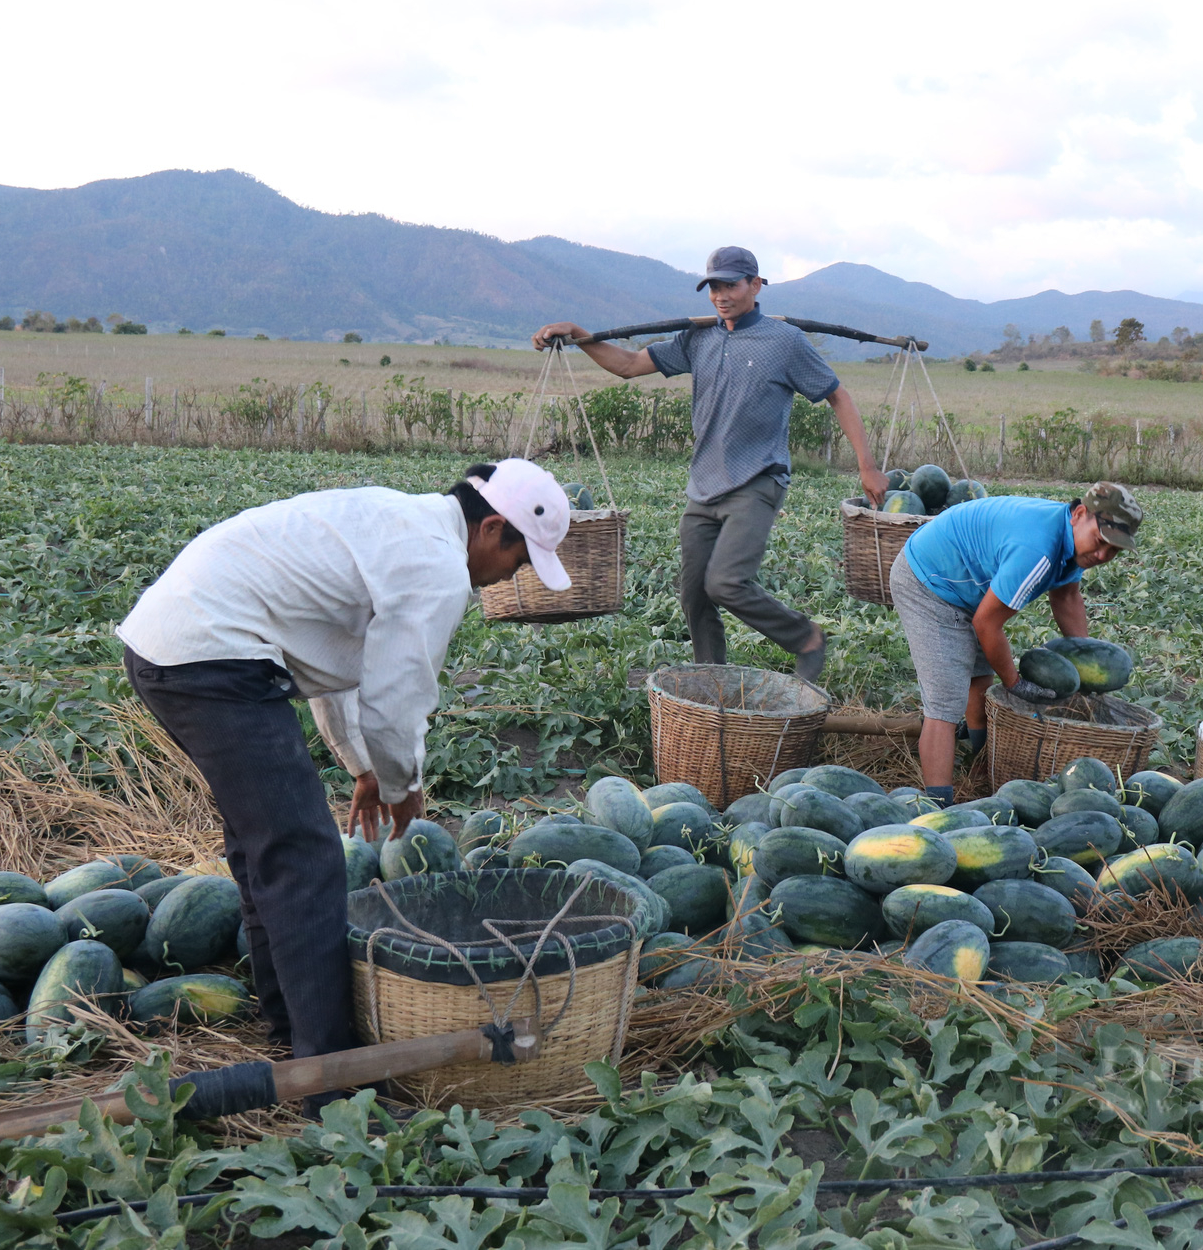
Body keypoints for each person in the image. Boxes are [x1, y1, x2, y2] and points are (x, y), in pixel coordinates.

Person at [115, 460, 574, 1109]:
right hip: (210, 651)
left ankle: (292, 1027)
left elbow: (335, 666)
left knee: (268, 843)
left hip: (179, 642)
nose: (509, 578)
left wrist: (362, 766)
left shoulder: (402, 525)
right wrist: (401, 782)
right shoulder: (438, 567)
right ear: (493, 527)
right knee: (304, 855)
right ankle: (330, 1083)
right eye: (519, 561)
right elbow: (395, 696)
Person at [532, 246, 886, 682]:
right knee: (695, 594)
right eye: (714, 286)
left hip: (757, 479)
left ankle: (806, 637)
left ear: (756, 286)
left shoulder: (785, 343)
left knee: (726, 583)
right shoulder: (697, 337)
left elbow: (838, 395)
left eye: (731, 285)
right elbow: (627, 365)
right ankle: (711, 681)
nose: (721, 295)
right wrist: (580, 334)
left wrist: (866, 466)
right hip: (704, 484)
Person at [889, 482, 1143, 806]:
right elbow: (987, 623)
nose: (1102, 555)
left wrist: (1084, 659)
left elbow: (1066, 595)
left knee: (979, 682)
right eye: (1100, 541)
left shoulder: (1067, 539)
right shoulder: (1038, 549)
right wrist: (1014, 682)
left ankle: (980, 766)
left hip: (969, 584)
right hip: (929, 581)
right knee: (945, 706)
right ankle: (938, 809)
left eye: (1114, 550)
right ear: (1079, 513)